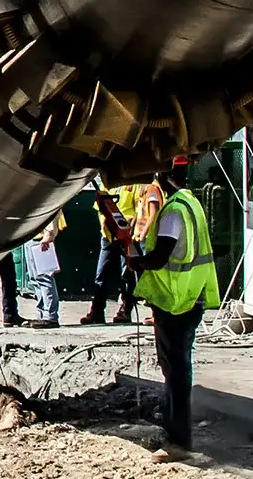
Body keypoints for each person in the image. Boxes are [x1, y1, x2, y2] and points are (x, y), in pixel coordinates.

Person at [128, 169, 223, 461]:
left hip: (175, 302)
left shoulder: (172, 212)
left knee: (176, 374)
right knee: (178, 371)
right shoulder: (191, 202)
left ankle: (178, 441)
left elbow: (161, 257)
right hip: (191, 298)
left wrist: (136, 261)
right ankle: (176, 435)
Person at [83, 181, 140, 324]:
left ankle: (125, 310)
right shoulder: (107, 185)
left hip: (127, 236)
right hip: (108, 235)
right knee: (101, 274)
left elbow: (138, 210)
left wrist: (128, 230)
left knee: (127, 275)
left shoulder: (135, 185)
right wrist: (106, 225)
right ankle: (97, 311)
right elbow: (100, 208)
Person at [25, 211, 68, 328]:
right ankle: (41, 315)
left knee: (44, 278)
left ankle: (50, 316)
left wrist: (48, 235)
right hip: (32, 237)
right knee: (35, 279)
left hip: (41, 239)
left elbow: (50, 214)